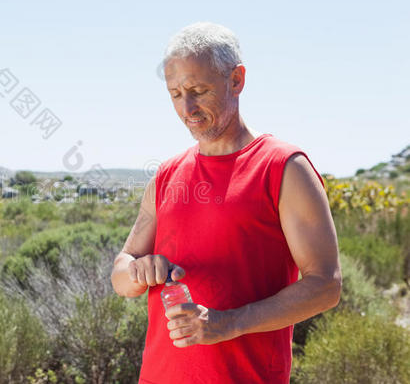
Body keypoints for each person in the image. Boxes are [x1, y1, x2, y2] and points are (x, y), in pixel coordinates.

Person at [110, 22, 342, 384]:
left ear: (236, 80)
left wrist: (229, 323)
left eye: (198, 91)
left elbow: (326, 285)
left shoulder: (284, 168)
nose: (187, 108)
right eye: (174, 94)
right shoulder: (167, 176)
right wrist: (138, 272)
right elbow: (121, 275)